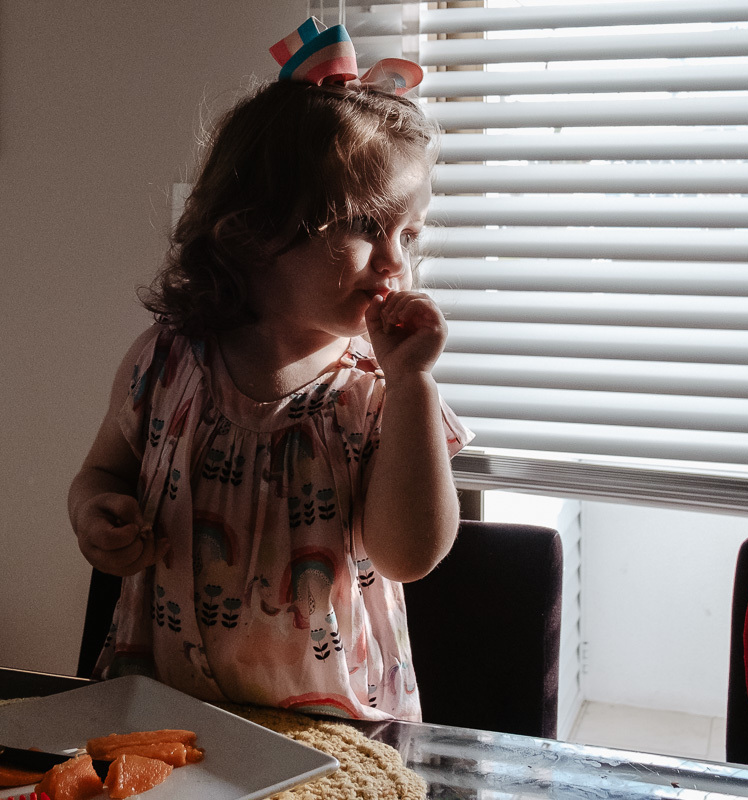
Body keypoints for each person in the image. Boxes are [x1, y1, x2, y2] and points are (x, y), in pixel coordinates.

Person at [67, 19, 472, 721]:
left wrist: (413, 383)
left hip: (333, 725)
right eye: (364, 226)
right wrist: (94, 512)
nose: (395, 262)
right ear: (252, 231)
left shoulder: (379, 391)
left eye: (408, 233)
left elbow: (409, 555)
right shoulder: (166, 362)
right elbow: (101, 472)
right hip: (170, 712)